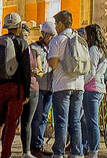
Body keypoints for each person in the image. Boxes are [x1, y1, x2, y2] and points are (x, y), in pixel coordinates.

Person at [0, 12, 31, 158]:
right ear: (19, 27)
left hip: (0, 86)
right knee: (11, 123)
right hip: (16, 87)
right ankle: (6, 154)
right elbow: (27, 71)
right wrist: (26, 93)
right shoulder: (22, 44)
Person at [47, 10, 84, 158]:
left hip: (62, 85)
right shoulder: (80, 38)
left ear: (61, 24)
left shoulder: (58, 40)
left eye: (56, 24)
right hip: (79, 85)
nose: (55, 27)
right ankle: (77, 152)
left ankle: (59, 153)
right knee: (75, 121)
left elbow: (54, 64)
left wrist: (48, 62)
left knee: (61, 121)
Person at [80, 24, 107, 158]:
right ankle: (86, 146)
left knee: (91, 121)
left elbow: (91, 70)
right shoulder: (103, 50)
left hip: (91, 88)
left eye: (86, 34)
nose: (84, 36)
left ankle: (93, 150)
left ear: (91, 35)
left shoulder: (93, 49)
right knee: (87, 120)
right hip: (99, 88)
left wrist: (81, 83)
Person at [30, 21, 56, 158]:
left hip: (50, 87)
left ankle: (39, 145)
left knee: (44, 117)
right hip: (38, 87)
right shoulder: (34, 47)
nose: (51, 38)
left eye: (53, 36)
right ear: (44, 34)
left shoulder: (53, 48)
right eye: (50, 35)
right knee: (37, 117)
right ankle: (34, 146)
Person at [19, 21, 39, 158]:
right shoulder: (15, 51)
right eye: (21, 35)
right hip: (18, 89)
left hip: (33, 89)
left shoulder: (34, 51)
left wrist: (37, 71)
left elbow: (41, 70)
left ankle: (26, 151)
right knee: (13, 120)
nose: (24, 38)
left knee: (27, 121)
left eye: (26, 35)